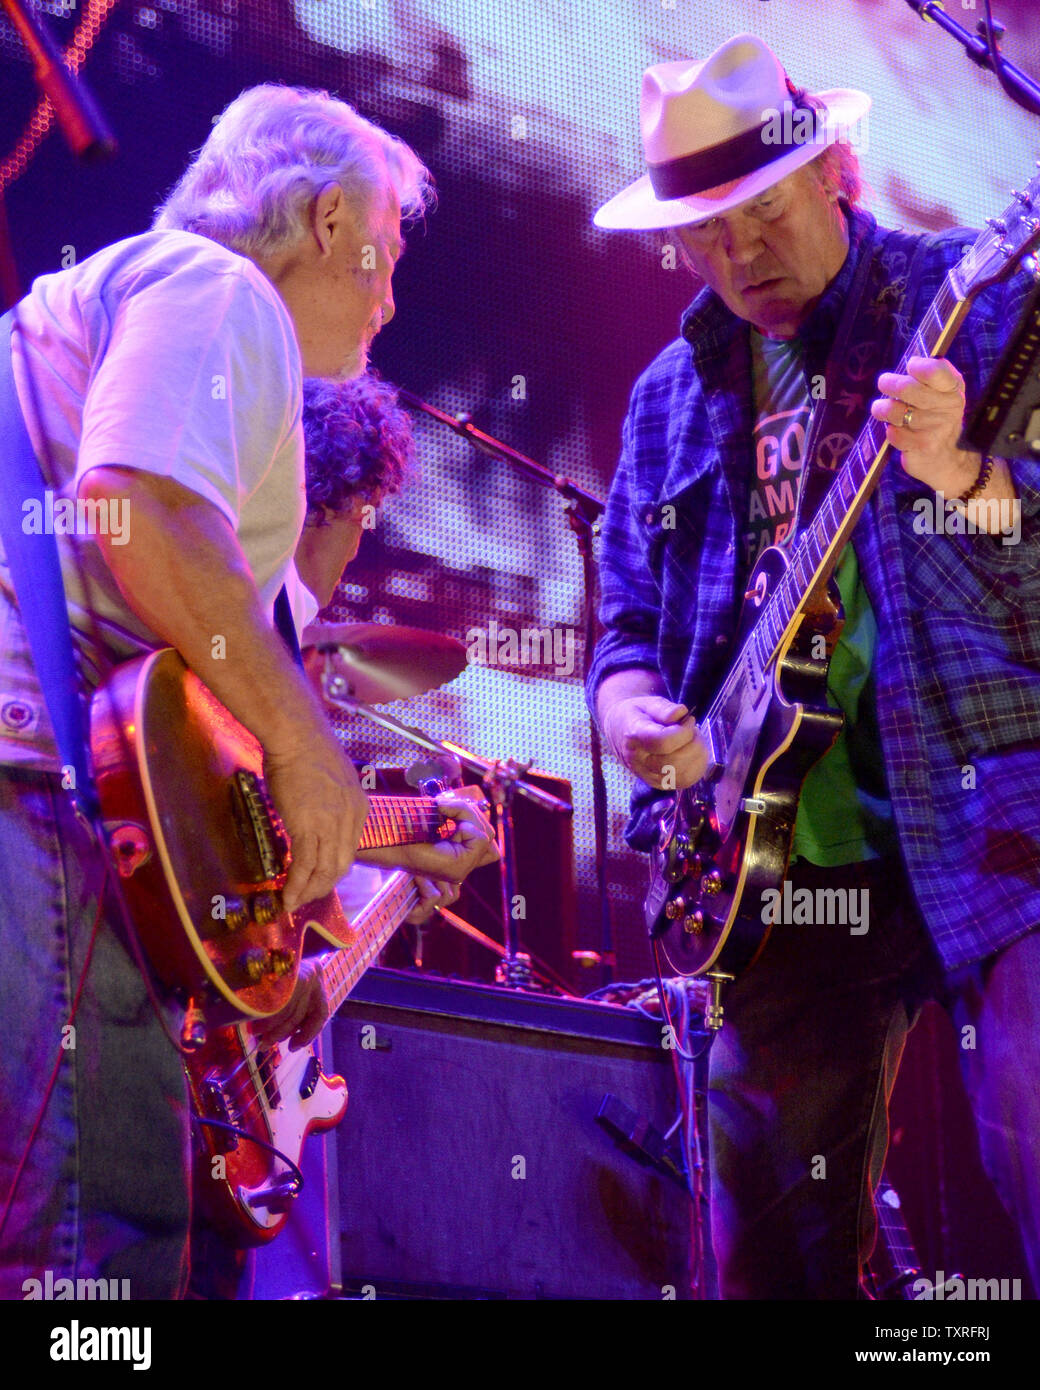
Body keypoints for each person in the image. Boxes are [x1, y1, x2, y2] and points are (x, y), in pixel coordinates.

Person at [0, 83, 496, 1300]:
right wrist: (306, 745)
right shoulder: (223, 293)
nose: (387, 299)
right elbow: (148, 509)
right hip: (40, 808)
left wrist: (359, 847)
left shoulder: (141, 298)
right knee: (94, 1259)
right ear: (327, 220)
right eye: (382, 254)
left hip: (57, 806)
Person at [587, 34, 1040, 1299]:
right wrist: (635, 718)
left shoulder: (975, 295)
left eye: (762, 215)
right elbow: (624, 626)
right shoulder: (666, 398)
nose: (738, 258)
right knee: (771, 1262)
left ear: (836, 169)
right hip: (779, 873)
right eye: (704, 235)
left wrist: (962, 475)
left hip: (995, 819)